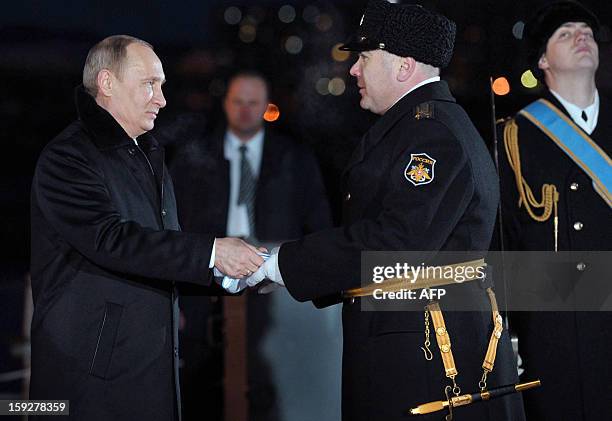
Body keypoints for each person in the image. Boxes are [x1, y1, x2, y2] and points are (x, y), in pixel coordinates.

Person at [247, 1, 526, 420]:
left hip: (425, 359)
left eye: (364, 57)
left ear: (403, 66)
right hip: (415, 349)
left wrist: (282, 265)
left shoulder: (431, 134)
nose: (354, 70)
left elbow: (396, 242)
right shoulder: (418, 125)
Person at [29, 35, 264, 421]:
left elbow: (158, 252)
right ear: (106, 83)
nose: (162, 99)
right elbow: (109, 239)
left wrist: (222, 273)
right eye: (149, 84)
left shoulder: (147, 153)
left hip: (144, 373)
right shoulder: (67, 158)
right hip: (90, 384)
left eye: (162, 86)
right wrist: (212, 253)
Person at [170, 71, 341, 421]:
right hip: (205, 283)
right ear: (225, 104)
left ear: (265, 106)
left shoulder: (295, 158)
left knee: (270, 380)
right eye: (238, 102)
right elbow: (171, 225)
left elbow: (318, 221)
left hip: (274, 286)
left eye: (253, 103)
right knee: (200, 385)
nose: (246, 110)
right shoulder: (193, 157)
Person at [498, 2, 612, 420]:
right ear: (543, 60)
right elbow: (505, 239)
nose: (582, 36)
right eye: (565, 33)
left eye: (586, 30)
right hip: (556, 335)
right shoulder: (515, 138)